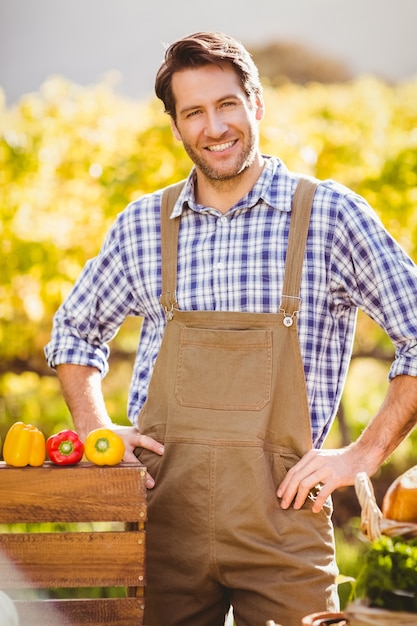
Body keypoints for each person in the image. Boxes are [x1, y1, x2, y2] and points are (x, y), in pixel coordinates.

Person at [45, 31, 417, 626]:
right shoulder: (144, 225)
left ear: (257, 105)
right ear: (176, 127)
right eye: (193, 112)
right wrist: (94, 430)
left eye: (226, 105)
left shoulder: (329, 215)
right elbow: (74, 333)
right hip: (163, 525)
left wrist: (361, 455)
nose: (214, 127)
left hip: (286, 529)